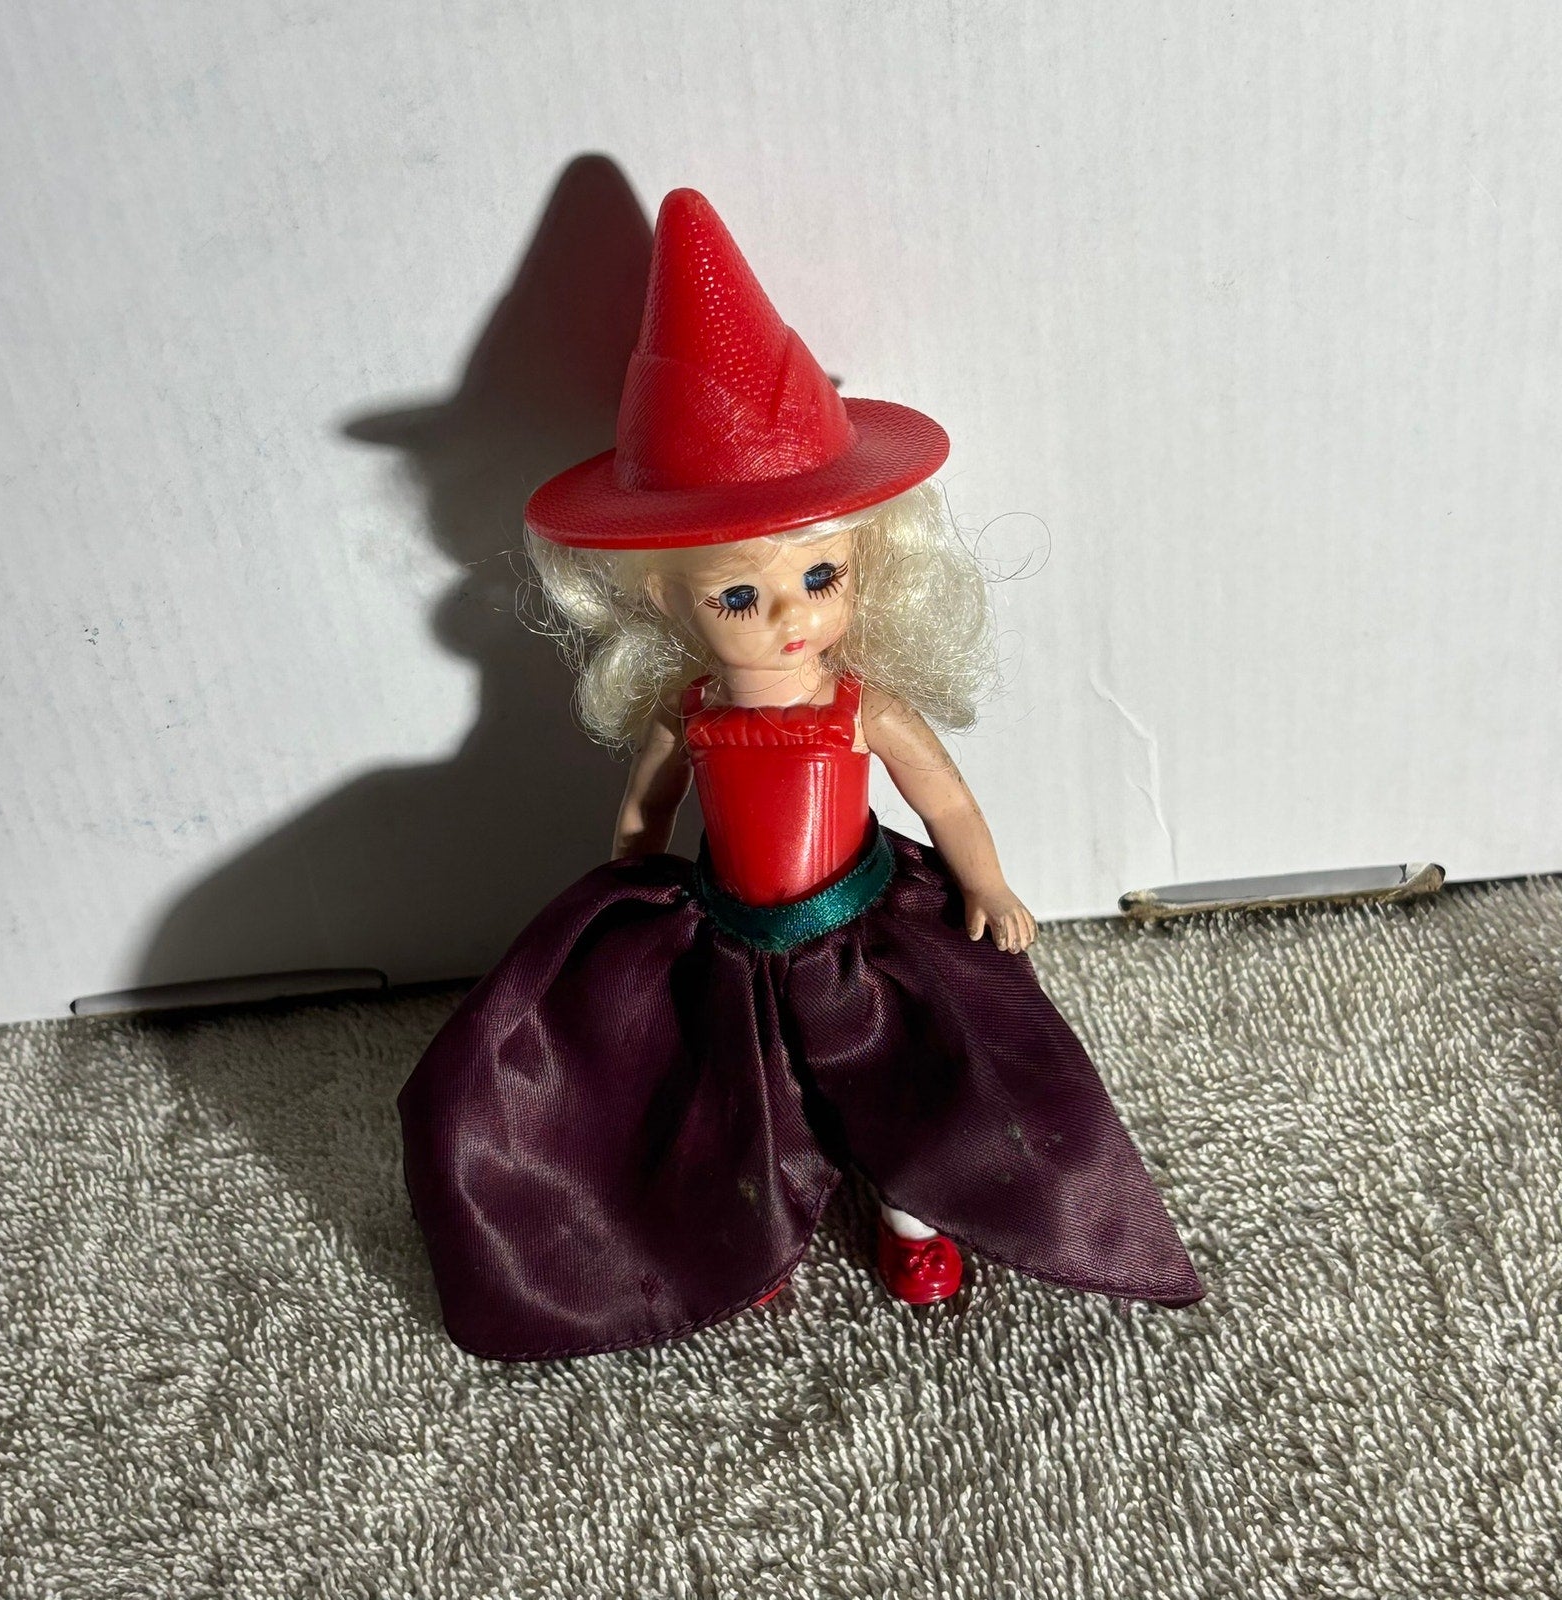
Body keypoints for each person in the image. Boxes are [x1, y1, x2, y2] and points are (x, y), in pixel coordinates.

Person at [397, 188, 1202, 1361]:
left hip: (861, 931)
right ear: (661, 597)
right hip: (729, 937)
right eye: (739, 595)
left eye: (819, 578)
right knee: (742, 1094)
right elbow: (647, 805)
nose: (789, 616)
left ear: (865, 564)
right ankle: (751, 1234)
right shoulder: (691, 711)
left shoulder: (862, 707)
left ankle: (912, 1212)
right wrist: (621, 893)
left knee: (905, 1083)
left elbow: (942, 795)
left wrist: (986, 881)